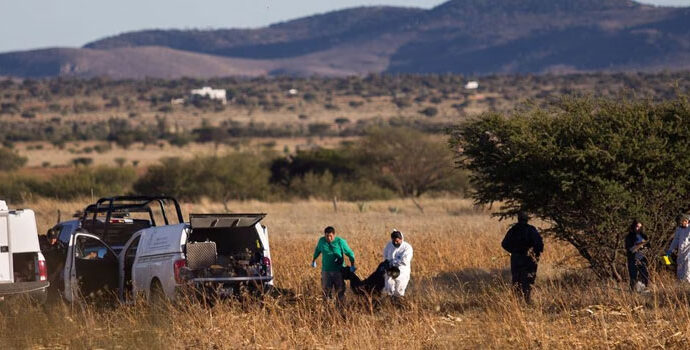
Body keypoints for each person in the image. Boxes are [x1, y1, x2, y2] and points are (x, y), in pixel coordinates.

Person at [501, 211, 543, 303]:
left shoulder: (513, 230)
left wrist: (514, 251)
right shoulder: (531, 229)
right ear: (527, 219)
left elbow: (504, 244)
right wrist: (535, 254)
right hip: (529, 258)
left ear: (518, 219)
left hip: (516, 258)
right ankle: (527, 300)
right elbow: (539, 244)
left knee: (516, 280)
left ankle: (516, 302)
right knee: (528, 279)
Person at [311, 226, 355, 302]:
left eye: (330, 236)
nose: (328, 238)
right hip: (326, 271)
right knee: (326, 292)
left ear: (334, 235)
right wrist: (314, 260)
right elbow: (317, 250)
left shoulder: (340, 242)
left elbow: (350, 253)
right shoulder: (322, 241)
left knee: (340, 291)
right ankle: (328, 310)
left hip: (339, 271)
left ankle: (341, 309)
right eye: (326, 236)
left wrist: (352, 265)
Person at [383, 229, 413, 298]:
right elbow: (385, 257)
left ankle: (399, 303)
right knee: (389, 287)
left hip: (402, 271)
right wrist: (387, 264)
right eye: (394, 241)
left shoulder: (407, 248)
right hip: (390, 270)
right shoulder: (389, 245)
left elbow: (405, 261)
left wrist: (394, 262)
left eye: (397, 241)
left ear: (401, 239)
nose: (395, 243)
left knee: (399, 291)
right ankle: (390, 303)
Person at [624, 220, 650, 292]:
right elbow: (628, 248)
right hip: (632, 258)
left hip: (642, 258)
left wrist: (644, 249)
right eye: (637, 226)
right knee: (633, 275)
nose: (638, 228)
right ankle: (633, 290)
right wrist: (638, 246)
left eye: (640, 227)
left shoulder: (644, 236)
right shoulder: (629, 236)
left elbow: (648, 246)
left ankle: (644, 288)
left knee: (644, 273)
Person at [667, 214, 690, 283]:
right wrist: (669, 251)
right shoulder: (679, 229)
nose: (680, 223)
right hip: (681, 252)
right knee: (680, 270)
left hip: (688, 252)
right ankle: (681, 287)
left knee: (688, 269)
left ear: (686, 221)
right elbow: (675, 241)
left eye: (682, 222)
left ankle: (687, 286)